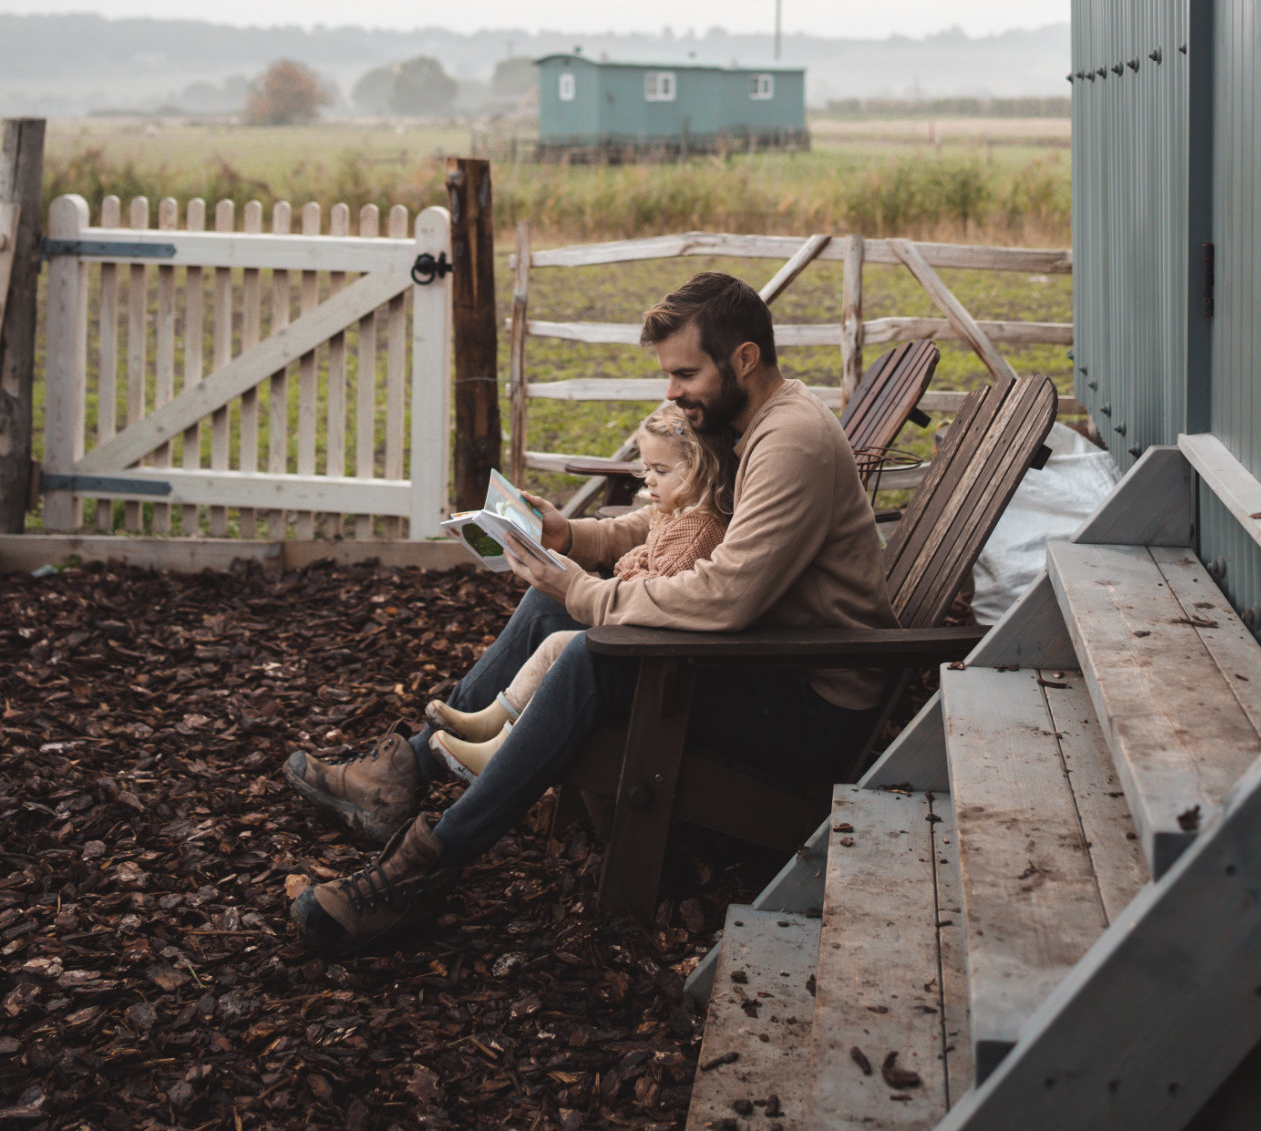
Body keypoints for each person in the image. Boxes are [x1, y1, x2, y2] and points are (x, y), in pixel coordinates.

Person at [284, 270, 898, 956]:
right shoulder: (749, 423)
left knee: (589, 653)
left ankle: (427, 868)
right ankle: (404, 775)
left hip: (809, 703)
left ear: (745, 359)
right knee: (552, 613)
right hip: (767, 660)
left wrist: (585, 590)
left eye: (685, 372)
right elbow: (685, 520)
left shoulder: (790, 443)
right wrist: (572, 543)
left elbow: (726, 596)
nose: (672, 392)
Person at [424, 401, 731, 779]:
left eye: (661, 471)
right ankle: (493, 721)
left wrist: (624, 573)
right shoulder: (670, 514)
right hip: (640, 630)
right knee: (556, 644)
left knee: (564, 648)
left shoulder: (698, 529)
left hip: (657, 650)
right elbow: (646, 557)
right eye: (646, 468)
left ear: (701, 471)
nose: (648, 479)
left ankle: (500, 749)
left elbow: (661, 590)